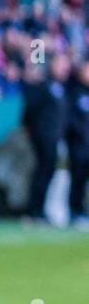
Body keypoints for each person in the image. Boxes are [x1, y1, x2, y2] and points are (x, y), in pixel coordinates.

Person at [22, 53, 70, 221]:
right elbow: (29, 110)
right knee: (42, 172)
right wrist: (34, 131)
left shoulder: (61, 87)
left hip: (55, 136)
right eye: (60, 64)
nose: (64, 68)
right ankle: (34, 210)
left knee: (48, 172)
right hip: (43, 136)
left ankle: (40, 209)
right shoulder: (43, 85)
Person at [64, 59, 89, 230]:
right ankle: (74, 211)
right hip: (78, 145)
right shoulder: (74, 92)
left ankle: (82, 210)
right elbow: (71, 120)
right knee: (77, 178)